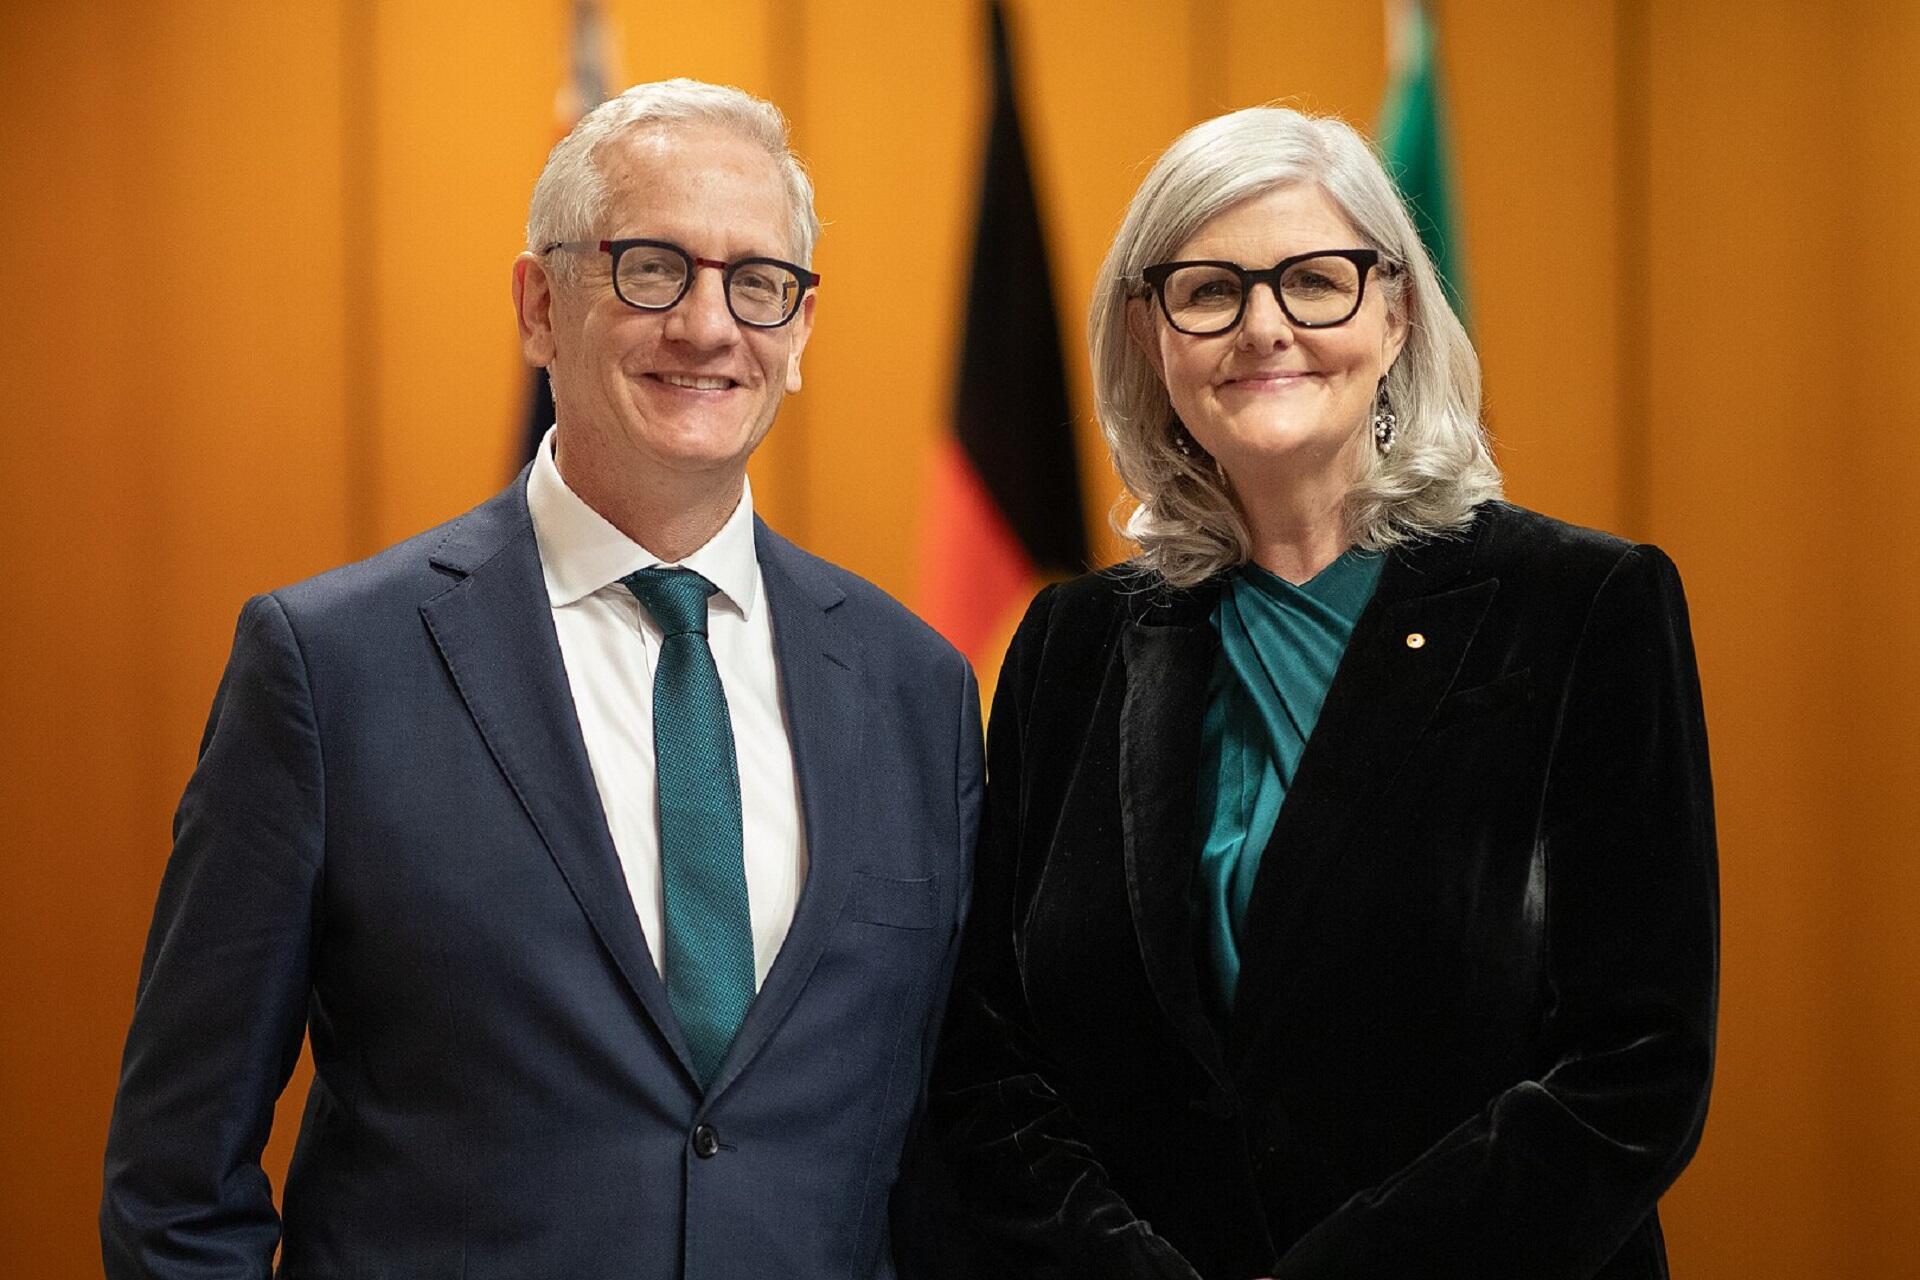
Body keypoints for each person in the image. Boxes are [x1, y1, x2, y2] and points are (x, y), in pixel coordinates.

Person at [101, 78, 981, 1280]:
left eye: (757, 282)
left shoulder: (917, 689)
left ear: (801, 329)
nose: (709, 326)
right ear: (538, 303)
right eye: (653, 267)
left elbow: (939, 1158)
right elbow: (175, 1184)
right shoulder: (329, 668)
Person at [927, 106, 1717, 1280]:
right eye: (1210, 289)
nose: (1264, 327)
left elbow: (1634, 1065)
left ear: (1396, 310)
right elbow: (990, 1051)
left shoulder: (1582, 608)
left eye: (1315, 280)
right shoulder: (1074, 642)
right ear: (1151, 334)